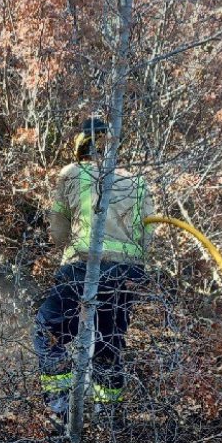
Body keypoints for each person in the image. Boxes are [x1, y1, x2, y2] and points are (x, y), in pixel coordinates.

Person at [34, 117, 153, 418]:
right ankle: (109, 416)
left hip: (83, 267)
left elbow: (59, 234)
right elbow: (148, 235)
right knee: (108, 341)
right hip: (126, 274)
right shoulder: (137, 182)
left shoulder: (72, 174)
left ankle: (60, 410)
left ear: (81, 146)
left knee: (50, 332)